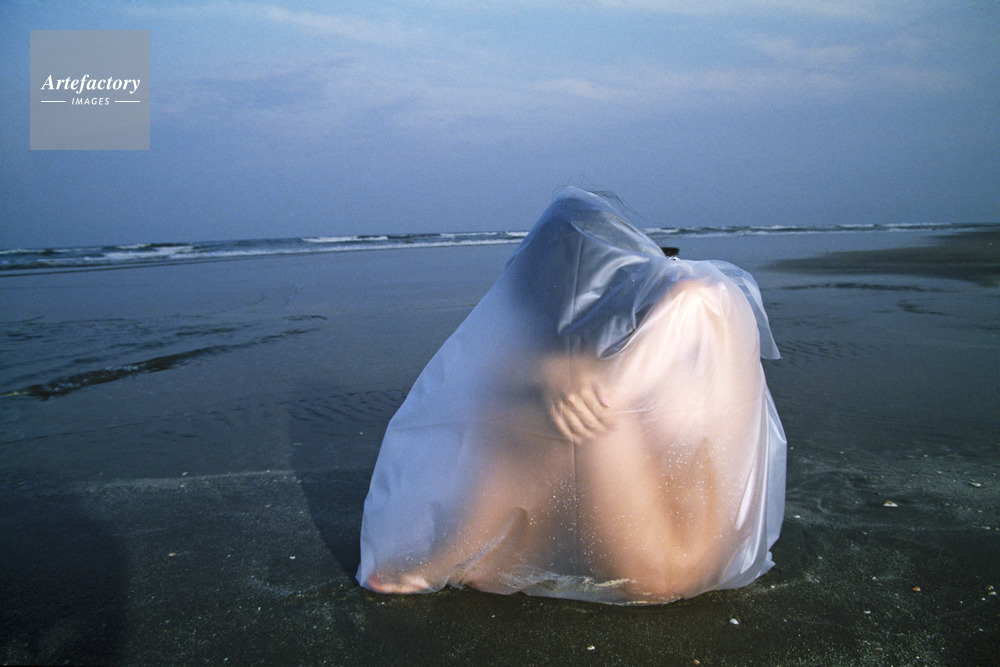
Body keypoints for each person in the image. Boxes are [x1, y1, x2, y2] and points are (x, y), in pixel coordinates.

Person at [357, 188, 786, 604]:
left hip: (665, 566)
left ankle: (458, 554)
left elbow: (602, 397)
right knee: (562, 404)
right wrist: (554, 373)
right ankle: (484, 549)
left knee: (540, 417)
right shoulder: (687, 303)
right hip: (708, 553)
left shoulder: (693, 298)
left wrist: (551, 374)